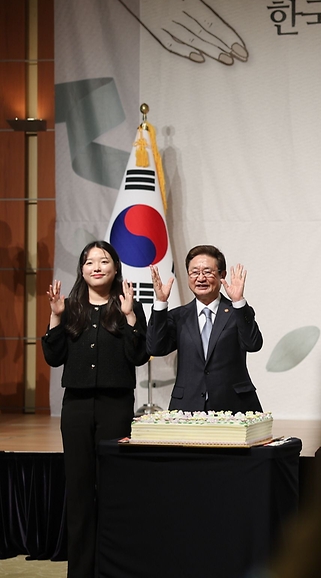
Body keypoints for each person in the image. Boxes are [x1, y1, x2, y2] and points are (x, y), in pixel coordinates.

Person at [41, 240, 148, 578]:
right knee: (80, 489)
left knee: (115, 488)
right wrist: (55, 318)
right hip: (76, 407)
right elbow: (53, 357)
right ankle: (81, 571)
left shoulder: (128, 305)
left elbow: (138, 356)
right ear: (82, 270)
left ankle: (115, 568)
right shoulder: (70, 307)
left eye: (104, 261)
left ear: (116, 268)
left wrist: (131, 317)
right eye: (89, 262)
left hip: (116, 406)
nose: (96, 267)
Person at [147, 244, 263, 412]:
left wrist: (238, 302)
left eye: (208, 272)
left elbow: (253, 344)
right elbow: (155, 348)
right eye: (194, 272)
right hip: (188, 407)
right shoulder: (178, 316)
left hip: (234, 405)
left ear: (222, 275)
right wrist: (160, 304)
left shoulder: (237, 312)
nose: (200, 278)